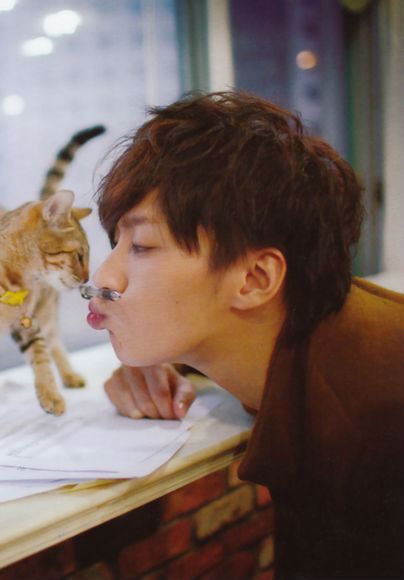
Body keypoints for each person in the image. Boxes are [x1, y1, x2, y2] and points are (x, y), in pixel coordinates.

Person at [85, 91, 404, 579]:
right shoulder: (321, 324)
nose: (104, 276)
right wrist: (163, 362)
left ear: (255, 279)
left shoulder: (372, 426)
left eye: (143, 245)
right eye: (116, 242)